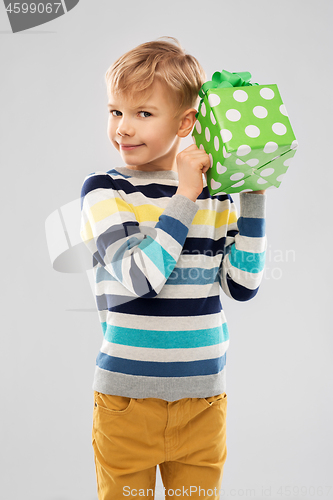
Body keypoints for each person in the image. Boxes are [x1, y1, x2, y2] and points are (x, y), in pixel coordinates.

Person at [80, 37, 266, 500]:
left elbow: (242, 287)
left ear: (185, 122)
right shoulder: (104, 191)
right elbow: (141, 278)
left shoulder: (214, 197)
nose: (123, 128)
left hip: (203, 402)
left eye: (144, 113)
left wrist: (253, 196)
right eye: (115, 111)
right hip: (127, 404)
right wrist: (185, 196)